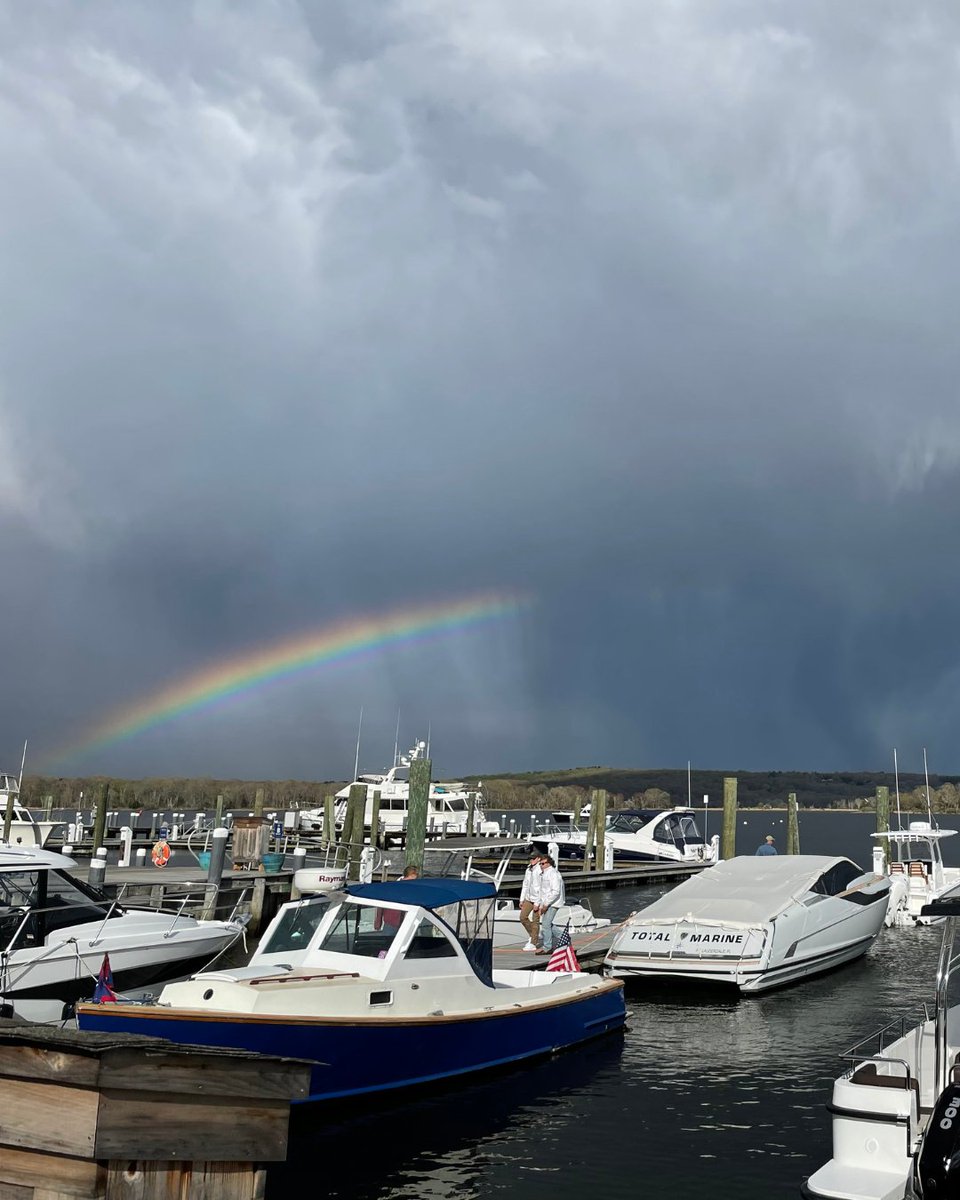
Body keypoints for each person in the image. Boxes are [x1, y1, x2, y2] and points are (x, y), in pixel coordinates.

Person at [536, 855, 563, 955]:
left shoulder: (553, 873)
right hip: (547, 902)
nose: (541, 865)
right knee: (547, 924)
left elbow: (555, 891)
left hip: (553, 903)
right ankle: (564, 938)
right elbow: (543, 891)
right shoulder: (544, 873)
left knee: (546, 924)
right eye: (540, 864)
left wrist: (546, 904)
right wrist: (541, 904)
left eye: (543, 864)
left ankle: (547, 947)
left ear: (549, 864)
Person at [519, 850, 542, 951]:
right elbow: (525, 884)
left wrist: (537, 903)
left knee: (535, 920)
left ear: (538, 859)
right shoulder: (528, 869)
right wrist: (522, 899)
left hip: (537, 898)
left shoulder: (540, 869)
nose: (531, 860)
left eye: (533, 858)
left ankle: (533, 942)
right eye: (530, 859)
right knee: (523, 917)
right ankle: (534, 935)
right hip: (528, 897)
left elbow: (542, 887)